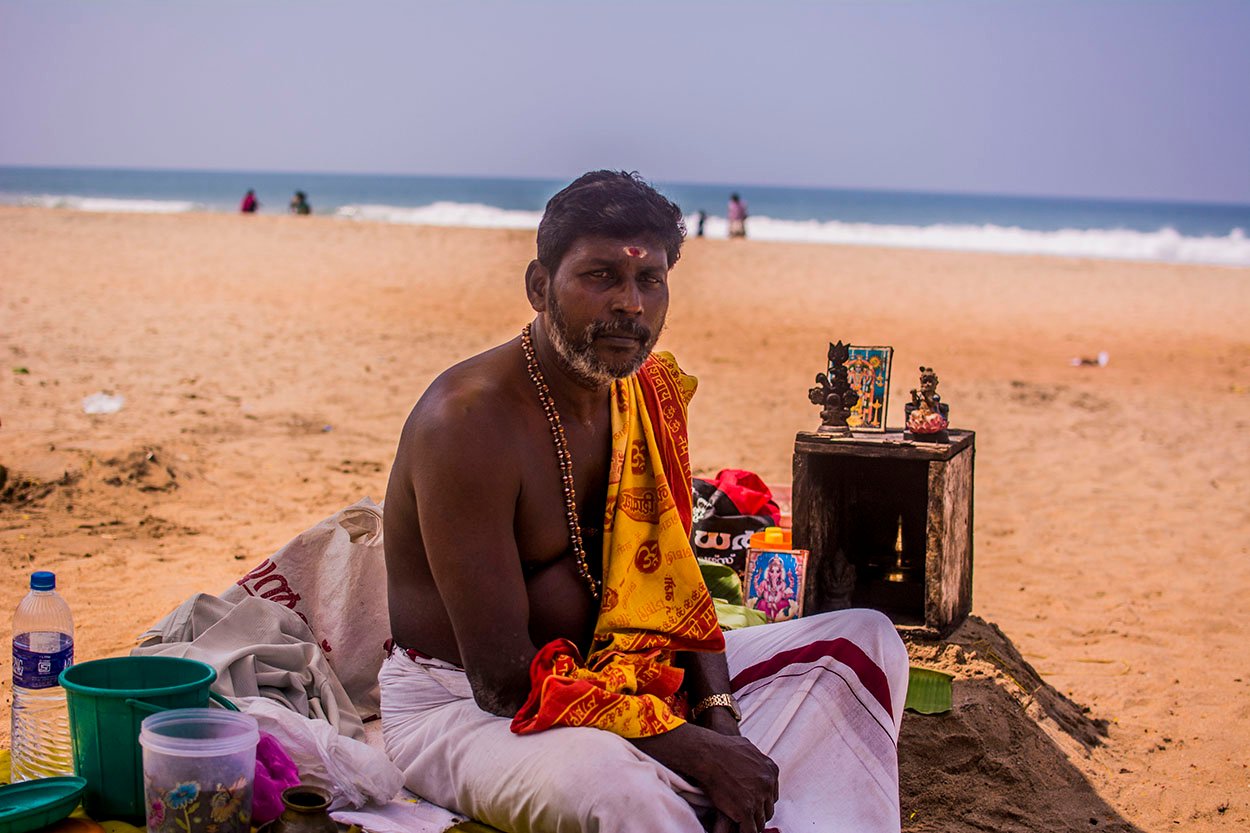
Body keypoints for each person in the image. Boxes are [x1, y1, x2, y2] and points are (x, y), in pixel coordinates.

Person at [380, 170, 908, 833]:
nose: (631, 304)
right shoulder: (466, 424)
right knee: (616, 786)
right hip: (467, 710)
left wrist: (719, 713)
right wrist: (695, 750)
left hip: (629, 675)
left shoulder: (646, 387)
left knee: (865, 640)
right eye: (601, 276)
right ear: (539, 286)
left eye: (649, 281)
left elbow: (675, 575)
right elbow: (502, 683)